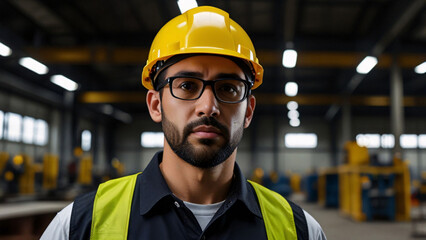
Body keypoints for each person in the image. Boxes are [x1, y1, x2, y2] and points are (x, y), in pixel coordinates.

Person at [41, 6, 327, 240]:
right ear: (156, 105)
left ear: (248, 111)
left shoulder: (299, 230)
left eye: (228, 88)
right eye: (187, 86)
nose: (208, 107)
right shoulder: (79, 226)